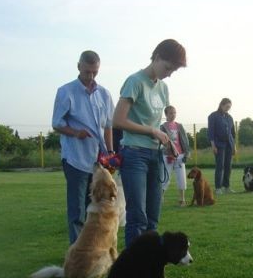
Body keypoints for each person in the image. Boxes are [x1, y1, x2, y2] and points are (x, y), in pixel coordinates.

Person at [113, 39, 186, 248]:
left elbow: (154, 122)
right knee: (137, 217)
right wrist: (153, 131)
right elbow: (117, 121)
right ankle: (133, 273)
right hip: (134, 154)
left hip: (155, 155)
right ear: (157, 57)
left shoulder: (163, 89)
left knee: (153, 217)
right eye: (168, 67)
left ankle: (150, 270)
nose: (169, 73)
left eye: (174, 70)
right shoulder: (134, 81)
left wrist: (166, 140)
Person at [52, 50, 114, 244]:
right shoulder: (66, 91)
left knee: (96, 206)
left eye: (95, 72)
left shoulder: (104, 94)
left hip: (99, 160)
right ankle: (77, 250)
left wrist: (111, 152)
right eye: (87, 71)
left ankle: (94, 245)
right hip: (76, 159)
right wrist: (76, 133)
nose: (91, 76)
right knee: (77, 208)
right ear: (78, 67)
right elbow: (56, 123)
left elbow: (109, 126)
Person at [160, 105, 191, 207]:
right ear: (166, 114)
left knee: (181, 177)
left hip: (180, 155)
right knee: (165, 178)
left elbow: (185, 141)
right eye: (170, 113)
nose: (173, 115)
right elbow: (162, 142)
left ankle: (182, 199)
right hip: (167, 155)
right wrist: (168, 152)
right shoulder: (162, 127)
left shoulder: (179, 126)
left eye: (174, 113)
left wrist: (187, 153)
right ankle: (160, 198)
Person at [207, 98, 236, 194]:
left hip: (229, 144)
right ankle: (218, 188)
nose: (228, 109)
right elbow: (211, 132)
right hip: (219, 144)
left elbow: (233, 133)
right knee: (220, 166)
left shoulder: (230, 117)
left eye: (229, 107)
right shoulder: (213, 116)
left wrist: (234, 146)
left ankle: (226, 187)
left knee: (228, 166)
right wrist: (213, 145)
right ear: (221, 105)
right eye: (227, 106)